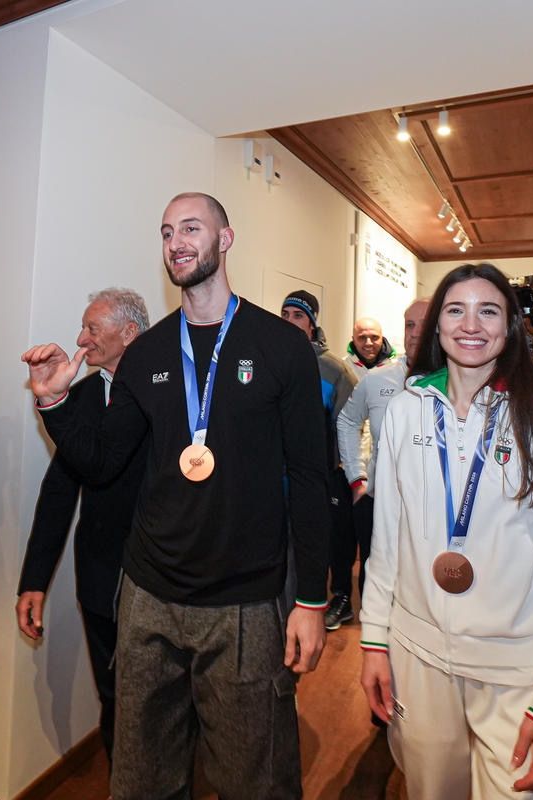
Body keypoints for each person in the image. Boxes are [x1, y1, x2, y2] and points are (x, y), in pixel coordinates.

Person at [22, 192, 331, 800]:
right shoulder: (147, 353)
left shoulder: (281, 346)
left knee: (254, 783)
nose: (177, 243)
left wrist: (313, 600)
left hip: (245, 601)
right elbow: (103, 462)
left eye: (191, 228)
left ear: (225, 238)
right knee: (142, 780)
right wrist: (54, 401)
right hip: (147, 599)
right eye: (167, 232)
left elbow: (310, 477)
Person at [359, 263, 533, 799]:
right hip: (418, 657)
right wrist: (374, 641)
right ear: (437, 325)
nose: (471, 324)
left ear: (510, 326)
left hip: (516, 668)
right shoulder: (405, 411)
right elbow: (387, 543)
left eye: (487, 311)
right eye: (456, 310)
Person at [17, 287, 150, 764]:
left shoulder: (169, 393)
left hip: (160, 581)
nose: (80, 339)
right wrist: (34, 580)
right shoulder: (85, 395)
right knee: (113, 696)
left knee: (161, 703)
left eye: (92, 328)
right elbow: (60, 490)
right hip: (99, 577)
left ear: (129, 333)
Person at [337, 298, 430, 608]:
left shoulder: (459, 382)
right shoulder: (378, 379)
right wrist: (356, 477)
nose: (415, 333)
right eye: (409, 325)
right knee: (376, 583)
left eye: (424, 324)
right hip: (378, 502)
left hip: (430, 511)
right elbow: (348, 421)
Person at [281, 290, 358, 630]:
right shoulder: (271, 357)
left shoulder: (334, 370)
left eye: (298, 316)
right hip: (279, 473)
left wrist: (342, 468)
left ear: (312, 324)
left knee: (325, 541)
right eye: (284, 314)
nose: (289, 321)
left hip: (322, 474)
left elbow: (349, 424)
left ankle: (333, 600)